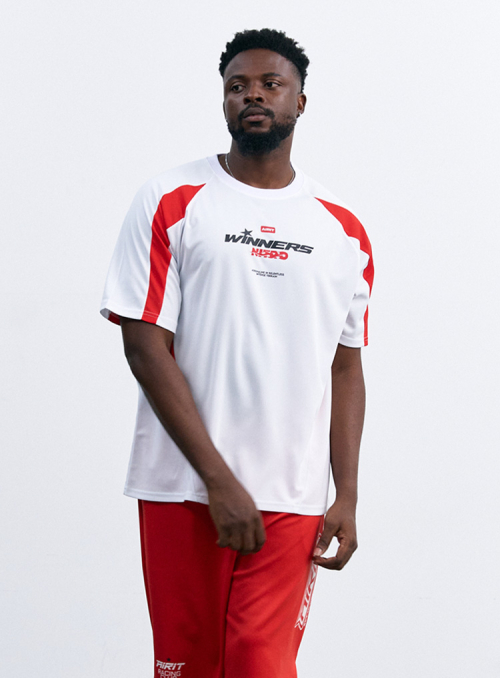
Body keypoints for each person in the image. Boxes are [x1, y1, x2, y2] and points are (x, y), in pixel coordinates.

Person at [101, 28, 373, 678]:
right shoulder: (171, 201)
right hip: (181, 488)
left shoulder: (343, 231)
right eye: (237, 86)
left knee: (259, 664)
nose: (253, 95)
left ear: (299, 101)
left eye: (270, 84)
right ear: (223, 100)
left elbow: (346, 366)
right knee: (187, 667)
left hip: (291, 494)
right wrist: (218, 481)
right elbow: (144, 345)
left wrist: (348, 493)